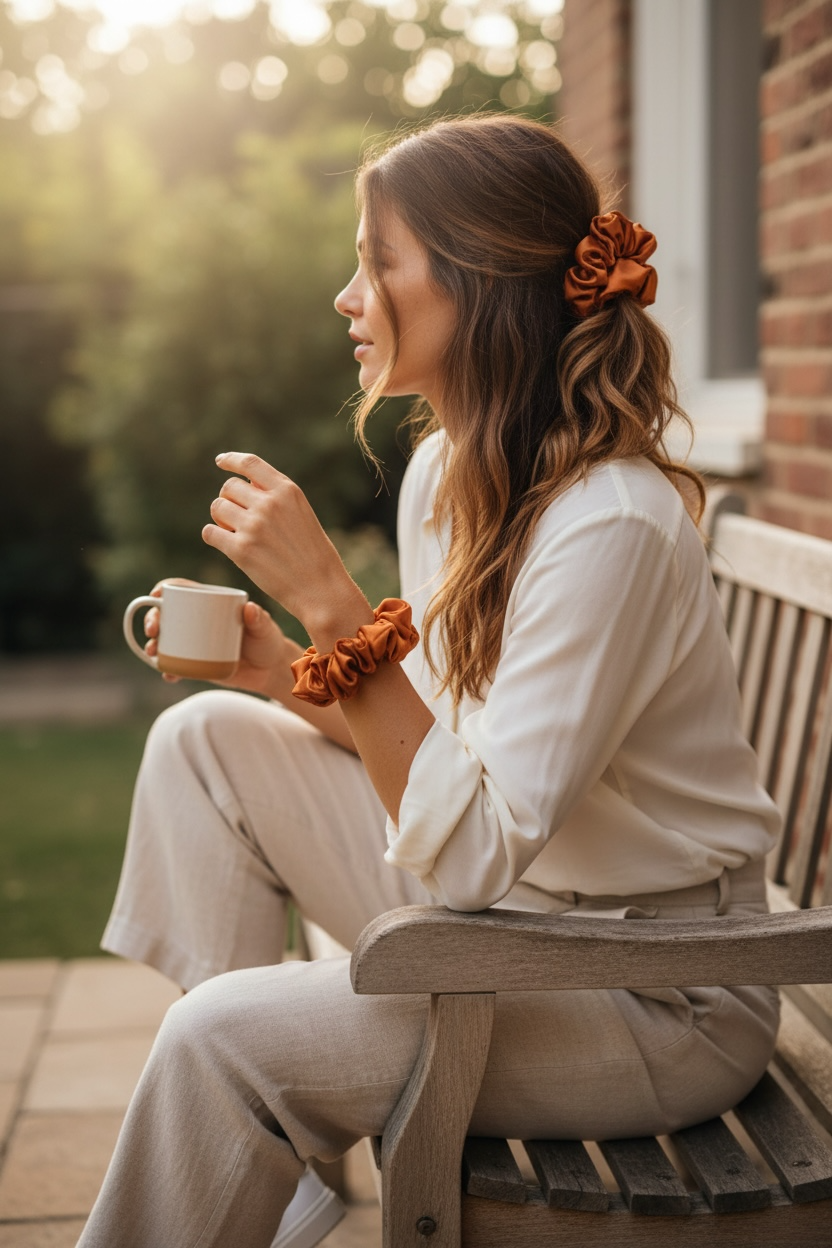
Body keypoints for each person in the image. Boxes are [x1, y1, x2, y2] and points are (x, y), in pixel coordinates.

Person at [77, 114, 780, 1248]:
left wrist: (334, 609)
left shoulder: (609, 524)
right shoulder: (449, 472)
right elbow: (445, 750)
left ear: (478, 286)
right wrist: (284, 668)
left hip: (655, 988)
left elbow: (467, 852)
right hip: (517, 918)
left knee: (220, 1038)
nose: (347, 297)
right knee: (204, 740)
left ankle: (252, 1126)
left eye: (377, 262)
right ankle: (281, 1171)